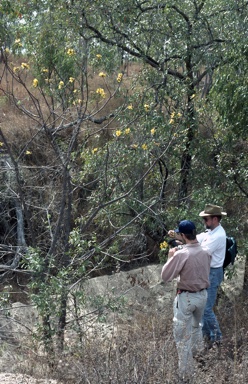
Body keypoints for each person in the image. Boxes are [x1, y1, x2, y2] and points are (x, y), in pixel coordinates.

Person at [161, 220, 211, 382]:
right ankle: (201, 360)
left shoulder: (181, 254)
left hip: (186, 297)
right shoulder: (206, 251)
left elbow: (166, 276)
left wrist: (170, 257)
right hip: (203, 296)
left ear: (183, 235)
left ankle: (186, 376)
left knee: (182, 338)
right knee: (197, 328)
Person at [197, 204, 227, 346]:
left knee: (206, 309)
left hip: (213, 273)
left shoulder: (219, 235)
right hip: (208, 272)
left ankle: (217, 339)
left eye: (206, 219)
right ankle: (207, 338)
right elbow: (197, 238)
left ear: (215, 219)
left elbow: (202, 252)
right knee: (203, 307)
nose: (204, 222)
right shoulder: (211, 232)